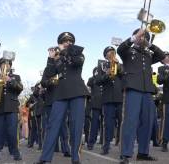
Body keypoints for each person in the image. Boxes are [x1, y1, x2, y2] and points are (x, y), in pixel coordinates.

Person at [36, 32, 89, 164]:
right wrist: (50, 58)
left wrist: (64, 52)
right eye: (64, 41)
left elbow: (77, 62)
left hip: (77, 92)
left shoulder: (78, 53)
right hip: (60, 94)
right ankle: (45, 158)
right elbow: (47, 76)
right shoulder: (57, 58)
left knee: (76, 125)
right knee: (53, 125)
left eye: (70, 41)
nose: (67, 43)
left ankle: (75, 158)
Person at [117, 28, 165, 163]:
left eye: (146, 38)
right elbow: (120, 49)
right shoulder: (128, 51)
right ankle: (125, 153)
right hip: (133, 89)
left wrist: (149, 44)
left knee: (148, 122)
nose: (143, 39)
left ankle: (143, 152)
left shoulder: (149, 54)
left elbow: (161, 55)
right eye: (141, 37)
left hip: (147, 91)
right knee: (130, 121)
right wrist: (134, 38)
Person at [0, 58, 23, 162]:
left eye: (7, 64)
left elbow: (20, 88)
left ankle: (15, 153)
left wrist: (10, 80)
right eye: (3, 64)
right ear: (0, 66)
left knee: (12, 132)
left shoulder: (16, 77)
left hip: (11, 108)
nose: (5, 66)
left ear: (10, 66)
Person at [96, 47, 123, 155]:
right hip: (108, 99)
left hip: (120, 98)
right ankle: (106, 146)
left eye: (112, 52)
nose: (111, 54)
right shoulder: (102, 66)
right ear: (105, 55)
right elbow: (97, 81)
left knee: (123, 123)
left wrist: (119, 66)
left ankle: (122, 146)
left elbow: (125, 76)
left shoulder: (121, 64)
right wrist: (106, 74)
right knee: (108, 124)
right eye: (108, 53)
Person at [87, 67, 103, 150]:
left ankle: (103, 141)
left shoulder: (104, 78)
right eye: (96, 71)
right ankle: (91, 142)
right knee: (94, 124)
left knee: (105, 124)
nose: (98, 72)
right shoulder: (92, 79)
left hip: (104, 103)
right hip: (96, 104)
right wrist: (96, 76)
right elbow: (88, 83)